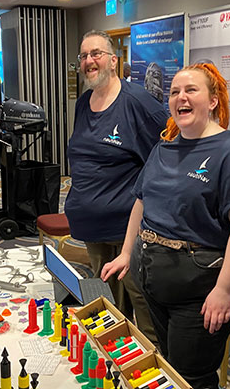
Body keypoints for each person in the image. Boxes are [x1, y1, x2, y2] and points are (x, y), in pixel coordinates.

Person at [102, 63, 230, 388]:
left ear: (214, 100)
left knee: (192, 377)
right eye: (175, 92)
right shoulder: (165, 147)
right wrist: (125, 253)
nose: (181, 98)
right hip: (154, 279)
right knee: (170, 364)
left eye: (191, 90)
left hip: (200, 288)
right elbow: (141, 201)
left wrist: (224, 289)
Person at [65, 30, 168, 346]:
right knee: (108, 309)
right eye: (83, 56)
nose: (89, 61)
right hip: (93, 229)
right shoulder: (85, 102)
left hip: (130, 232)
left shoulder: (138, 104)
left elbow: (166, 156)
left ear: (113, 59)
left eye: (95, 53)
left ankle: (156, 371)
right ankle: (117, 371)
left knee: (144, 315)